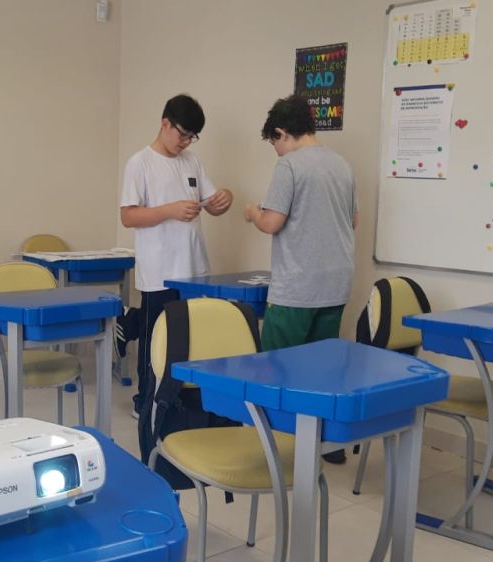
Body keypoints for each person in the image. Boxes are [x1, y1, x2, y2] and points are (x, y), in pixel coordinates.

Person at [243, 94, 358, 463]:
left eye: (274, 142)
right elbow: (353, 221)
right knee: (323, 369)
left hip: (298, 286)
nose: (275, 150)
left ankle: (272, 448)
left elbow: (272, 222)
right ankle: (325, 445)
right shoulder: (341, 165)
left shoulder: (290, 166)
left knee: (276, 368)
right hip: (336, 283)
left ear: (282, 133)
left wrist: (253, 212)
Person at [119, 93, 233, 430]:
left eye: (192, 137)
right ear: (165, 123)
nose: (185, 142)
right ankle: (145, 401)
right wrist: (169, 210)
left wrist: (223, 200)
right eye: (182, 134)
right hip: (159, 271)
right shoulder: (140, 163)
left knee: (190, 338)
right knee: (155, 340)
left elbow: (211, 204)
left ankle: (179, 401)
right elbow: (128, 216)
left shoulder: (192, 161)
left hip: (194, 268)